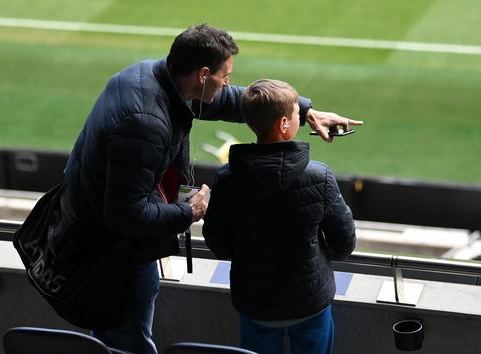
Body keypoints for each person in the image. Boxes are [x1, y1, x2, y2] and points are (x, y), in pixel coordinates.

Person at [59, 24, 362, 354]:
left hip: (101, 229)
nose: (229, 82)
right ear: (203, 75)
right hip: (110, 246)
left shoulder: (156, 76)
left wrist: (304, 112)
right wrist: (189, 211)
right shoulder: (146, 120)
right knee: (126, 339)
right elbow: (124, 214)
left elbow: (235, 101)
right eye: (225, 74)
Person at [202, 79, 357, 354]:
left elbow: (217, 242)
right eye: (299, 113)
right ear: (285, 124)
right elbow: (344, 241)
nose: (303, 117)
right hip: (309, 302)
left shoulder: (227, 180)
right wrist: (317, 255)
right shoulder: (319, 176)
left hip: (255, 303)